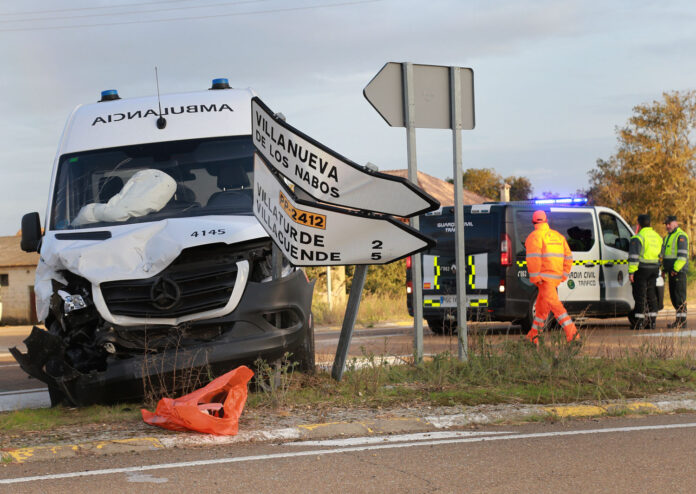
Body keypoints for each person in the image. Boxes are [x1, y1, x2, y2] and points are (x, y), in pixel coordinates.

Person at [524, 210, 579, 345]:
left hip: (544, 280)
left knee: (556, 307)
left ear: (533, 222)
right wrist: (563, 275)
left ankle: (573, 335)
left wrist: (536, 278)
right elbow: (569, 257)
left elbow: (533, 259)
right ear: (546, 220)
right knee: (542, 311)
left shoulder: (534, 236)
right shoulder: (558, 236)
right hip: (554, 278)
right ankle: (532, 337)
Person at [628, 214, 662, 329]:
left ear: (639, 224)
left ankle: (639, 322)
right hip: (654, 269)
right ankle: (652, 322)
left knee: (640, 295)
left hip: (641, 269)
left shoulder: (638, 237)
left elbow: (633, 257)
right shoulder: (657, 236)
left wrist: (631, 272)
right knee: (651, 294)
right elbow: (661, 254)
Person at [662, 215, 689, 328]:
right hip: (671, 272)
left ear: (675, 223)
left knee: (679, 297)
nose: (667, 226)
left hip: (678, 272)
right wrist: (664, 269)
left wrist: (674, 269)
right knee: (674, 297)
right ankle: (679, 320)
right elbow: (665, 255)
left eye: (669, 223)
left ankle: (682, 322)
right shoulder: (668, 237)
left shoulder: (681, 236)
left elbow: (682, 257)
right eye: (666, 224)